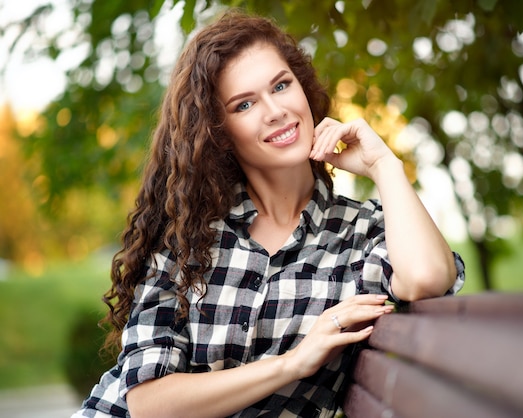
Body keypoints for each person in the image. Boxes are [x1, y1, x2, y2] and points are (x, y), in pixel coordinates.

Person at [72, 9, 464, 418]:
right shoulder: (189, 235)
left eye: (281, 85)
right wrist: (293, 362)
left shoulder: (359, 234)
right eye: (244, 105)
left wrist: (384, 165)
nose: (275, 110)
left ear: (303, 89)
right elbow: (149, 403)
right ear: (218, 133)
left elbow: (426, 278)